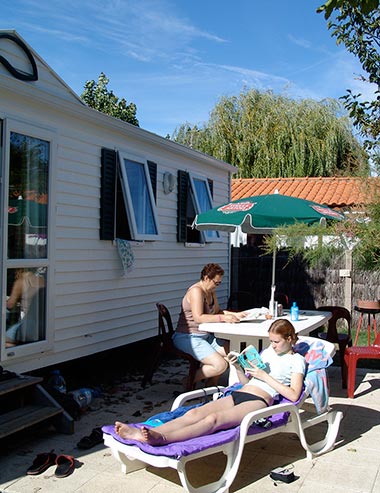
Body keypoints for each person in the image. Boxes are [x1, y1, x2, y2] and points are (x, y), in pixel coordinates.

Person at [115, 319, 306, 445]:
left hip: (259, 401)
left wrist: (265, 376)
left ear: (289, 338)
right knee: (194, 412)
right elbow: (244, 382)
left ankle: (162, 439)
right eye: (271, 341)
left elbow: (294, 394)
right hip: (243, 391)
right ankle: (145, 432)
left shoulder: (296, 360)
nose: (272, 346)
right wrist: (238, 367)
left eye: (276, 342)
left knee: (213, 420)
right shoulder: (270, 353)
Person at [172, 263, 247, 387]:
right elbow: (198, 317)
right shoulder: (196, 291)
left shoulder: (210, 291)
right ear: (206, 278)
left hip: (205, 336)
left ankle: (211, 384)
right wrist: (223, 318)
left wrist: (237, 315)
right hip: (188, 337)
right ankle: (188, 381)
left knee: (233, 353)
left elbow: (218, 311)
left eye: (219, 283)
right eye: (216, 283)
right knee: (220, 365)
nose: (217, 286)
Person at [6, 268, 45, 346]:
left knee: (3, 339)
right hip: (43, 324)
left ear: (19, 271)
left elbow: (10, 305)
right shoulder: (41, 280)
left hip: (27, 325)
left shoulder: (20, 282)